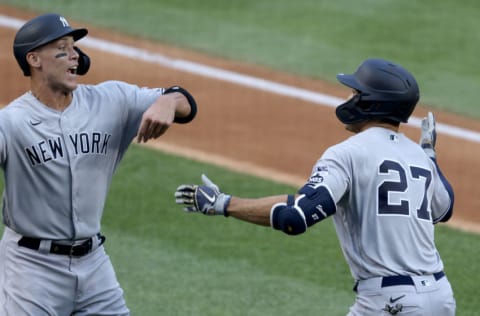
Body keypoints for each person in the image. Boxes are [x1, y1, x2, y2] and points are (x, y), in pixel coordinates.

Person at [175, 58, 456, 315]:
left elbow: (295, 217)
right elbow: (444, 208)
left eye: (356, 93)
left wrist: (223, 203)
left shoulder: (347, 153)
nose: (349, 97)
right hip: (441, 297)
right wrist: (429, 154)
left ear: (370, 103)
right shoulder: (418, 156)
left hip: (390, 303)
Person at [0, 13, 197, 315]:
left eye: (75, 48)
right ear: (34, 59)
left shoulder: (111, 101)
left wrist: (167, 102)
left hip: (93, 263)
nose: (74, 56)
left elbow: (186, 102)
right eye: (62, 49)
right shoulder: (11, 122)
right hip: (30, 268)